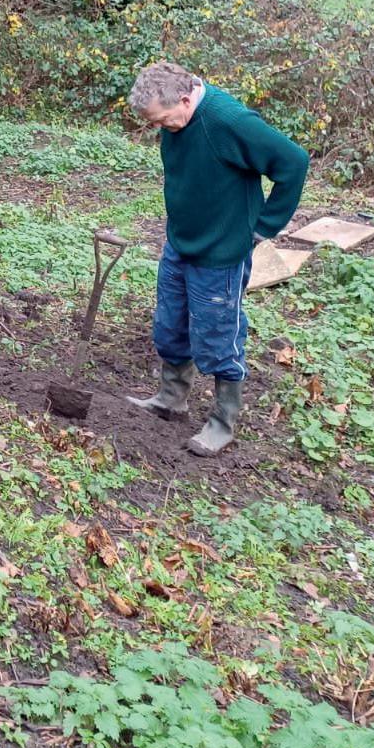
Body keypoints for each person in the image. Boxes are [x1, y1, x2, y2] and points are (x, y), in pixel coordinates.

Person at [126, 61, 309, 456]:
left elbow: (294, 162)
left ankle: (223, 423)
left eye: (163, 120)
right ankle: (171, 398)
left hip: (221, 253)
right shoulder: (177, 118)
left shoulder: (229, 122)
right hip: (181, 242)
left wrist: (264, 227)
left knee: (217, 337)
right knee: (170, 325)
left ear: (185, 99)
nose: (159, 128)